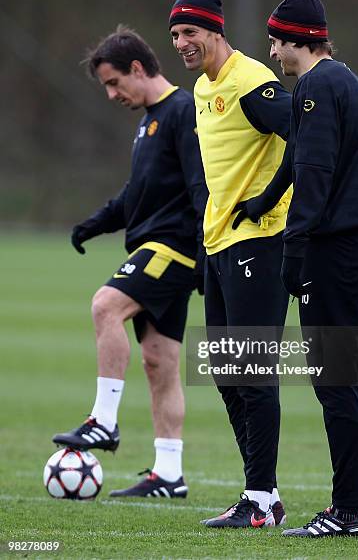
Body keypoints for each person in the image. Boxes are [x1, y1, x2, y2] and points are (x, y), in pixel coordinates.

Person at [235, 0, 358, 538]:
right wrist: (263, 202)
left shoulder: (315, 88)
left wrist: (295, 249)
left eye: (276, 40)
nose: (273, 50)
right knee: (356, 378)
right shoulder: (344, 82)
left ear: (295, 40)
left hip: (338, 251)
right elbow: (296, 158)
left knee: (334, 381)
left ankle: (346, 509)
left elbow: (317, 172)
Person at [52, 25, 208, 499]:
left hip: (173, 249)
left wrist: (207, 253)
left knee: (105, 306)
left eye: (114, 82)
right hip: (158, 246)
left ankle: (103, 421)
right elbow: (136, 194)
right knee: (159, 360)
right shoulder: (148, 121)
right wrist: (94, 224)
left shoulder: (182, 111)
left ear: (137, 69)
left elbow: (203, 186)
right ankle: (169, 473)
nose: (111, 94)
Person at [169, 0, 292, 528]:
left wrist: (268, 201)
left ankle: (261, 498)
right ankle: (258, 492)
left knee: (253, 372)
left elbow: (306, 135)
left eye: (189, 32)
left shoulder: (251, 81)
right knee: (223, 371)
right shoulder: (201, 88)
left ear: (214, 31)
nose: (181, 43)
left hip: (260, 242)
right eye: (174, 34)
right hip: (219, 244)